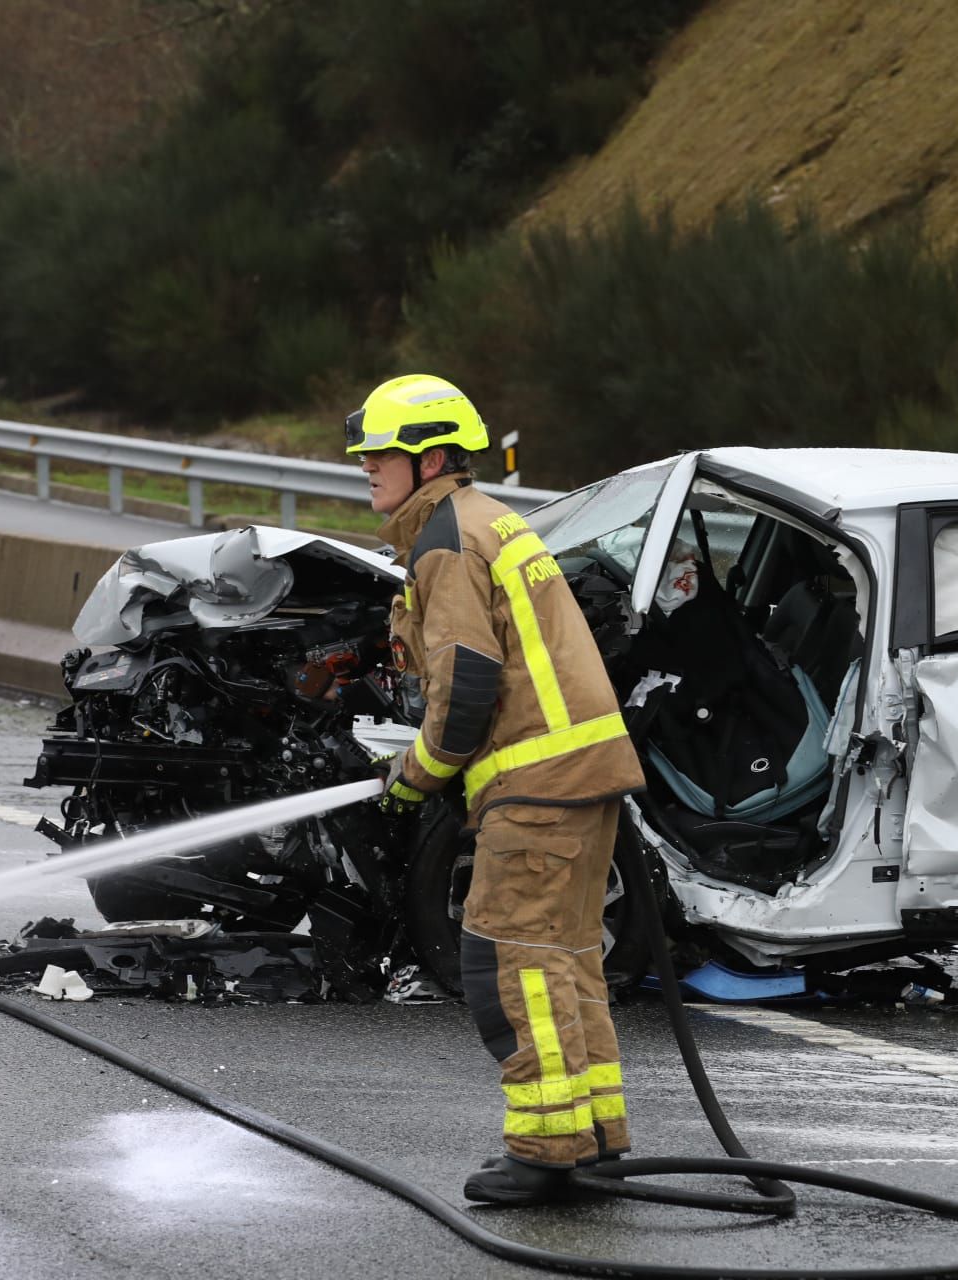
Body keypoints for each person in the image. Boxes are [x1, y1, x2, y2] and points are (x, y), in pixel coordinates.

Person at [345, 374, 646, 1205]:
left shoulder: (447, 541)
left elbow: (467, 684)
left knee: (508, 967)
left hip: (538, 783)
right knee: (567, 963)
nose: (365, 467)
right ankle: (597, 1139)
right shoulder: (488, 521)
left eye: (380, 455)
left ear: (430, 458)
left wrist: (414, 776)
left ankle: (549, 1151)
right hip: (578, 776)